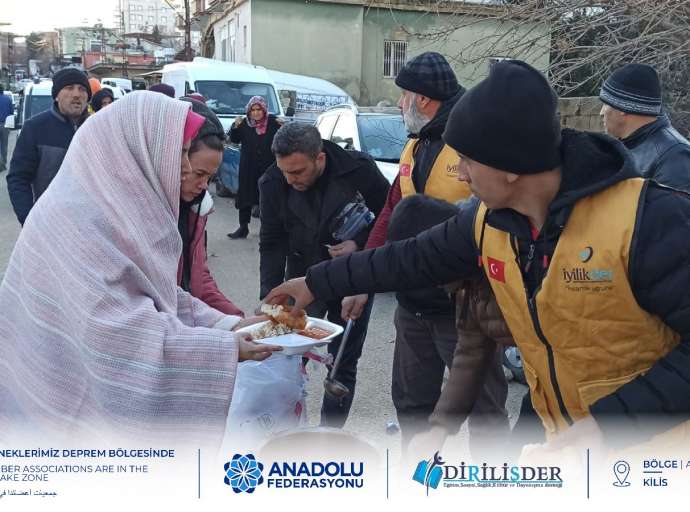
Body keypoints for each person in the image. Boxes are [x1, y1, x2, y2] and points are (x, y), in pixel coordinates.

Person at [266, 60, 690, 454]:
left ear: (510, 166)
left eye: (467, 160)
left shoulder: (648, 219)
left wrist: (608, 424)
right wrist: (316, 282)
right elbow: (409, 258)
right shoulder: (490, 223)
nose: (461, 173)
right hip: (569, 447)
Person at [0, 91, 280, 444]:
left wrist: (229, 325)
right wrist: (222, 349)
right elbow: (115, 335)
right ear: (137, 148)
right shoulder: (78, 219)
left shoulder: (120, 211)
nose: (181, 168)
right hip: (53, 413)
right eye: (180, 154)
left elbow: (156, 293)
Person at [342, 51, 507, 453]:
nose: (399, 106)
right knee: (413, 404)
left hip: (464, 304)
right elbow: (390, 212)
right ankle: (418, 483)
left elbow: (503, 218)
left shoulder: (475, 141)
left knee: (483, 410)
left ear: (424, 100)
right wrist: (362, 277)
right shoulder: (414, 146)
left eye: (403, 97)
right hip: (413, 303)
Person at [259, 123, 389, 427]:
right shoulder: (272, 181)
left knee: (342, 362)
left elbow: (388, 215)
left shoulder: (359, 170)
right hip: (301, 280)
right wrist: (271, 300)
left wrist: (359, 244)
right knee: (286, 354)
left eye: (298, 172)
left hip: (353, 279)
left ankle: (329, 436)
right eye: (285, 172)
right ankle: (286, 425)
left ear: (319, 158)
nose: (290, 180)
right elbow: (271, 242)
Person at [178, 96, 244, 316]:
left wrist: (236, 318)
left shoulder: (195, 209)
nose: (204, 185)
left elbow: (198, 275)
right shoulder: (144, 215)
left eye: (211, 177)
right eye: (199, 174)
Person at [7, 68, 91, 225]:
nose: (76, 94)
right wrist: (29, 220)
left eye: (82, 89)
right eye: (69, 88)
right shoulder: (35, 128)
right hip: (50, 225)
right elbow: (18, 178)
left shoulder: (98, 129)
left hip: (92, 227)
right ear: (57, 95)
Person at [600, 63, 690, 193]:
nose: (601, 112)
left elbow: (676, 211)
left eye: (605, 104)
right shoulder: (623, 146)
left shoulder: (674, 156)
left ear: (623, 107)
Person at [227, 96, 283, 239]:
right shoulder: (244, 124)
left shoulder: (273, 123)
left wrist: (284, 126)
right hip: (248, 167)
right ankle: (243, 227)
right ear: (249, 111)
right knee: (245, 196)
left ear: (264, 110)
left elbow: (283, 139)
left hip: (268, 167)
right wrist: (235, 126)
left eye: (259, 109)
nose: (256, 113)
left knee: (267, 198)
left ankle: (266, 229)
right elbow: (234, 139)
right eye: (253, 110)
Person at [0, 84, 13, 172]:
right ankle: (3, 164)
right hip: (5, 124)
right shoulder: (8, 99)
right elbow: (11, 112)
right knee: (4, 145)